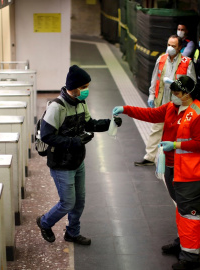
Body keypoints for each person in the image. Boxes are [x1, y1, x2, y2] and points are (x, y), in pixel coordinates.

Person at [113, 75, 200, 270]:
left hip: (194, 173)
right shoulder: (172, 107)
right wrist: (126, 110)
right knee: (182, 208)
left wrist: (175, 144)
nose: (173, 96)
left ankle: (190, 256)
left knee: (191, 213)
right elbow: (151, 115)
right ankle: (183, 241)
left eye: (176, 93)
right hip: (174, 168)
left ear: (187, 94)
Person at [36, 65, 122, 245]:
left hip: (77, 161)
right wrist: (74, 142)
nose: (86, 90)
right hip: (61, 164)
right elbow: (46, 135)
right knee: (67, 203)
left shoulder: (81, 103)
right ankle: (44, 222)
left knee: (79, 202)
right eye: (84, 87)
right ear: (73, 87)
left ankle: (72, 233)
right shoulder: (56, 107)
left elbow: (89, 124)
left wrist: (110, 123)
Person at [134, 34, 196, 166]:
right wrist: (151, 95)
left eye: (173, 46)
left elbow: (192, 84)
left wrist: (175, 84)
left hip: (178, 104)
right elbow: (154, 79)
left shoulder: (187, 62)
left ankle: (179, 159)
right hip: (162, 102)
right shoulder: (161, 59)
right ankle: (150, 157)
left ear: (180, 47)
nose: (170, 48)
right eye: (169, 45)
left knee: (179, 132)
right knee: (156, 129)